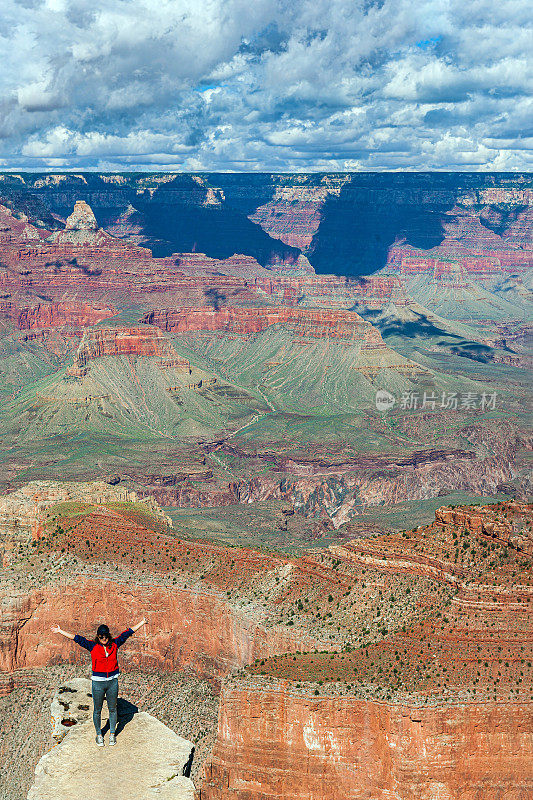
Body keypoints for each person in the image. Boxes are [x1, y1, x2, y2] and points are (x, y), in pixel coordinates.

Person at [51, 618, 146, 747]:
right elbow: (77, 638)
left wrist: (142, 622)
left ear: (108, 635)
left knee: (113, 709)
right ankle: (99, 735)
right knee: (97, 710)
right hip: (98, 683)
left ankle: (112, 734)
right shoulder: (92, 646)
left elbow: (127, 633)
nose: (104, 638)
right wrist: (60, 630)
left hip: (112, 682)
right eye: (101, 636)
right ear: (98, 636)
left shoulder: (114, 644)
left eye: (105, 636)